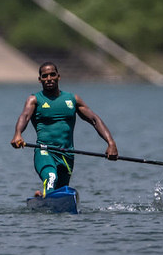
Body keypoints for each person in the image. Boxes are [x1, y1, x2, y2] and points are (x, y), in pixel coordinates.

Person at [10, 61, 118, 197]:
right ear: (40, 79)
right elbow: (25, 116)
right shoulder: (34, 100)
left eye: (52, 75)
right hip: (45, 151)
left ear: (58, 77)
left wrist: (111, 143)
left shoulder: (73, 99)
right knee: (51, 177)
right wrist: (18, 134)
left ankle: (42, 195)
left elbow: (94, 120)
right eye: (45, 76)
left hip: (67, 154)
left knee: (60, 190)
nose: (49, 79)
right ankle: (46, 196)